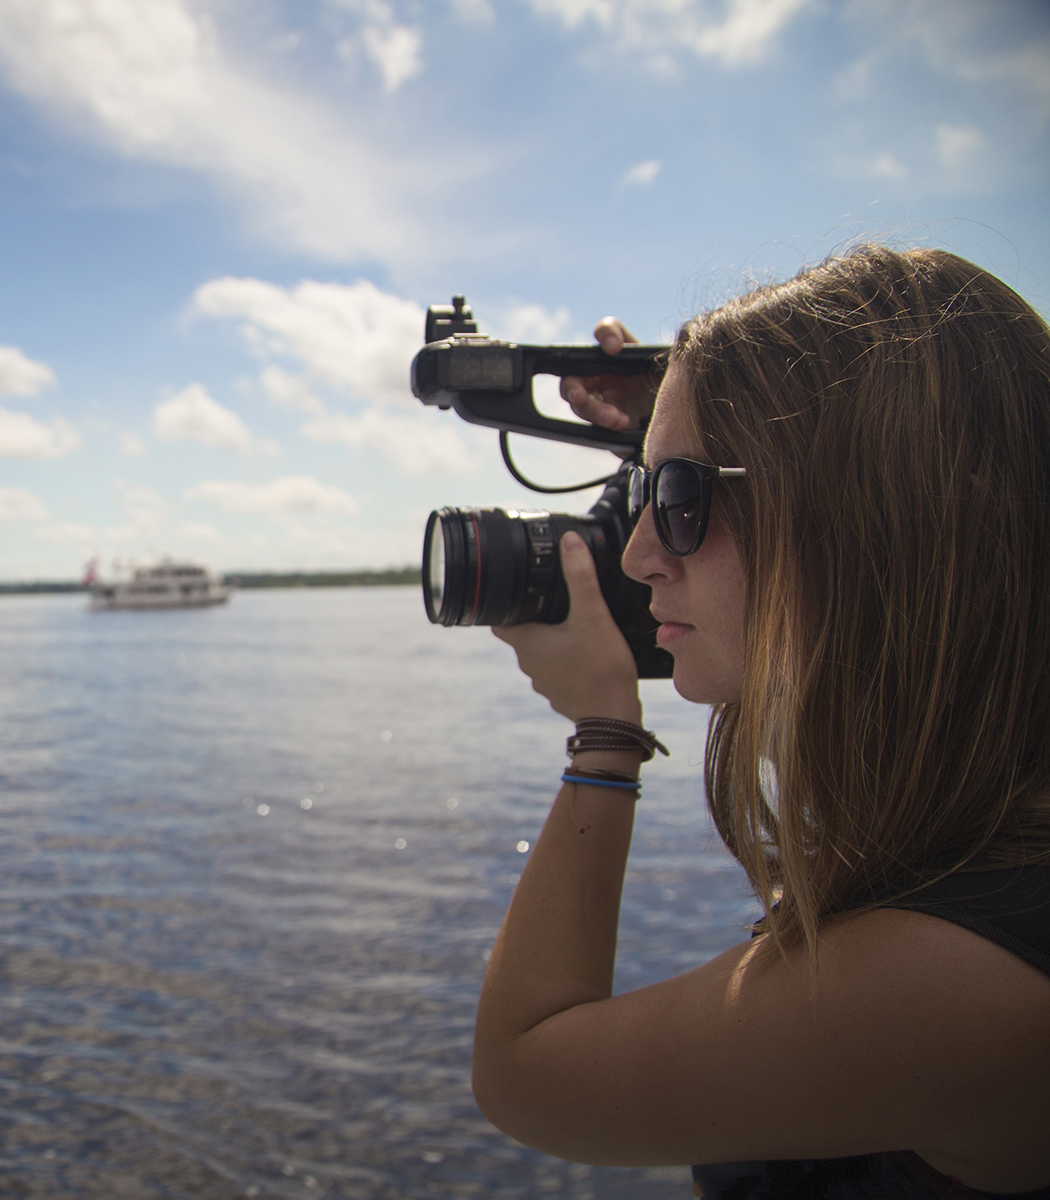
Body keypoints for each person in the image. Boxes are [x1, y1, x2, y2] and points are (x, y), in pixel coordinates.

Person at [471, 245, 1050, 1198]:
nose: (640, 555)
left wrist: (605, 735)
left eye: (684, 502)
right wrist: (675, 441)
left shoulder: (959, 983)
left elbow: (526, 1073)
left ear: (871, 520)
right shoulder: (998, 847)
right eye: (646, 497)